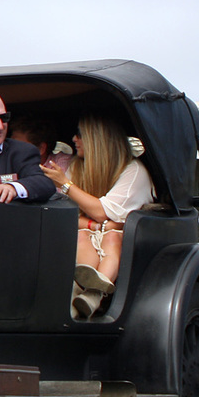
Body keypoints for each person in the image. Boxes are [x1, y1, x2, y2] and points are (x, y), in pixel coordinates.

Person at [41, 115, 155, 319]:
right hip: (85, 235)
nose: (74, 140)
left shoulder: (133, 171)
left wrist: (65, 184)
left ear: (96, 139)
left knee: (112, 238)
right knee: (82, 236)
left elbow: (102, 211)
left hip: (128, 245)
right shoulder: (77, 167)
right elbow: (66, 214)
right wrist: (95, 224)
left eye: (79, 135)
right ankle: (84, 294)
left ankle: (95, 294)